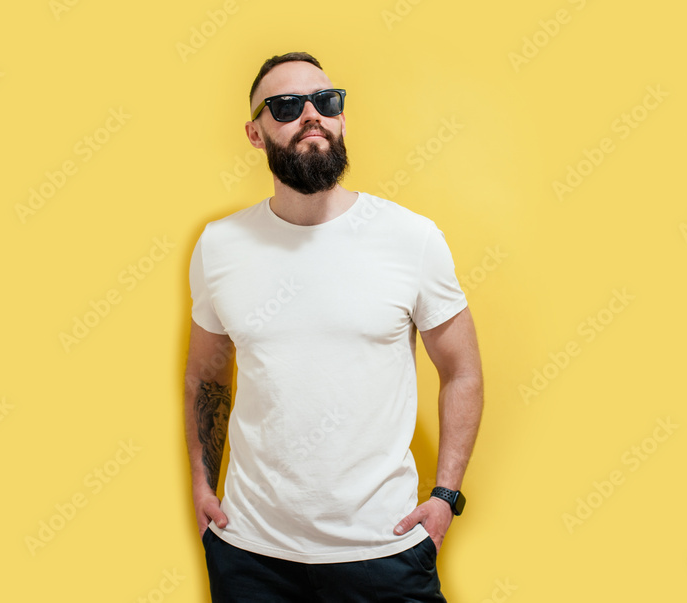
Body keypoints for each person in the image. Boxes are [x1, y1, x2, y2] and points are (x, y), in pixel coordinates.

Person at [184, 51, 484, 602]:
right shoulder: (219, 245)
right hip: (250, 556)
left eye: (326, 101)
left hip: (384, 551)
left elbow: (462, 371)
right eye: (286, 105)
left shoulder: (410, 238)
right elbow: (207, 374)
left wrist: (445, 496)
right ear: (255, 133)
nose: (311, 115)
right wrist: (203, 484)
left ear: (342, 117)